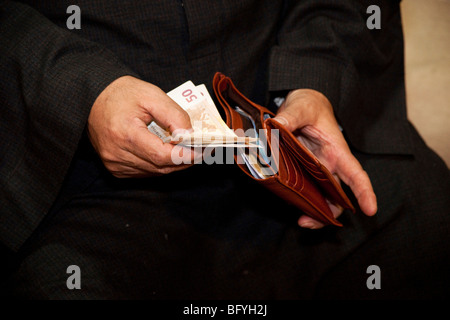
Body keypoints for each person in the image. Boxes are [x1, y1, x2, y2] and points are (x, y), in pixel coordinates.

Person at [1, 0, 449, 300]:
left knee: (428, 220)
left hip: (282, 127)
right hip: (80, 162)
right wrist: (83, 91)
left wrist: (315, 79)